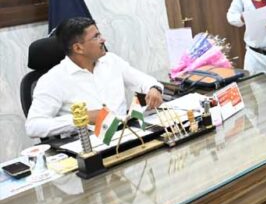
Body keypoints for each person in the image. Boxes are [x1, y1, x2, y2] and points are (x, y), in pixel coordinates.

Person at [25, 17, 163, 139]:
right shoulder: (52, 80)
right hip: (88, 144)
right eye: (96, 37)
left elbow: (145, 81)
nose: (103, 40)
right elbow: (33, 126)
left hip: (127, 135)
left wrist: (154, 89)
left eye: (99, 34)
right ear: (78, 48)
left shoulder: (111, 61)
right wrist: (82, 119)